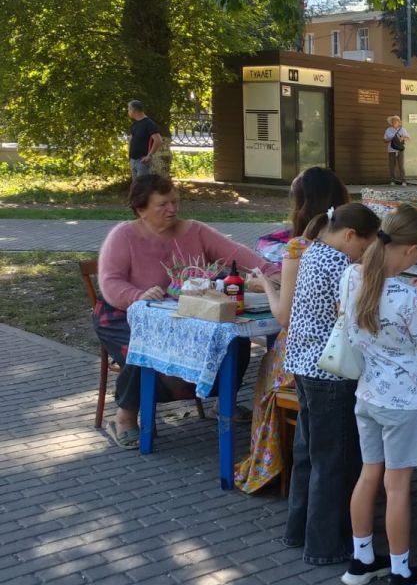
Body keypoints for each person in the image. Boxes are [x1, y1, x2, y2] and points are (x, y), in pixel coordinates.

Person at [93, 174, 280, 449]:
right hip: (123, 312)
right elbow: (110, 282)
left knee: (233, 336)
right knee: (144, 343)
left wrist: (271, 274)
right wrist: (137, 296)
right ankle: (125, 416)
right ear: (141, 208)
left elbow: (237, 254)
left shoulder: (194, 231)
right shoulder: (123, 236)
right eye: (163, 204)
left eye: (175, 202)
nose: (172, 209)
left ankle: (223, 402)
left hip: (181, 313)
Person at [340, 204, 417, 585]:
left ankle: (361, 560)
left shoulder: (351, 276)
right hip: (403, 403)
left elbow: (359, 316)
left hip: (366, 394)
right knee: (397, 488)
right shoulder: (406, 297)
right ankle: (401, 574)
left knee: (368, 476)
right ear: (411, 249)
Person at [235, 167, 350, 493]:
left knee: (267, 369)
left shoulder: (299, 248)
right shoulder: (355, 242)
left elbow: (284, 316)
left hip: (303, 354)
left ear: (302, 203)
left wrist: (265, 286)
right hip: (347, 348)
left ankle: (272, 462)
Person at [282, 201, 381, 565]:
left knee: (309, 455)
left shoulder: (311, 253)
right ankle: (327, 545)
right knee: (335, 462)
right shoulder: (342, 267)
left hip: (304, 366)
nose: (363, 257)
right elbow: (363, 314)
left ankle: (299, 529)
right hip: (332, 372)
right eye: (364, 248)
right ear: (350, 236)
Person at [127, 100, 163, 177]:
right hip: (133, 160)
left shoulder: (149, 123)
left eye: (129, 109)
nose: (128, 112)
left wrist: (149, 156)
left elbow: (158, 140)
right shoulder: (135, 124)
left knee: (143, 188)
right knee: (136, 187)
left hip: (142, 162)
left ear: (134, 110)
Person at [384, 115, 410, 185]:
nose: (394, 122)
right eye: (392, 121)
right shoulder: (388, 130)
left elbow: (408, 138)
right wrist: (390, 139)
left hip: (400, 150)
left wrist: (403, 138)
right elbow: (385, 140)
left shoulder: (403, 129)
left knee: (401, 165)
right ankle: (393, 180)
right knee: (392, 166)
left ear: (399, 122)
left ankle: (403, 180)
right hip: (391, 149)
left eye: (395, 121)